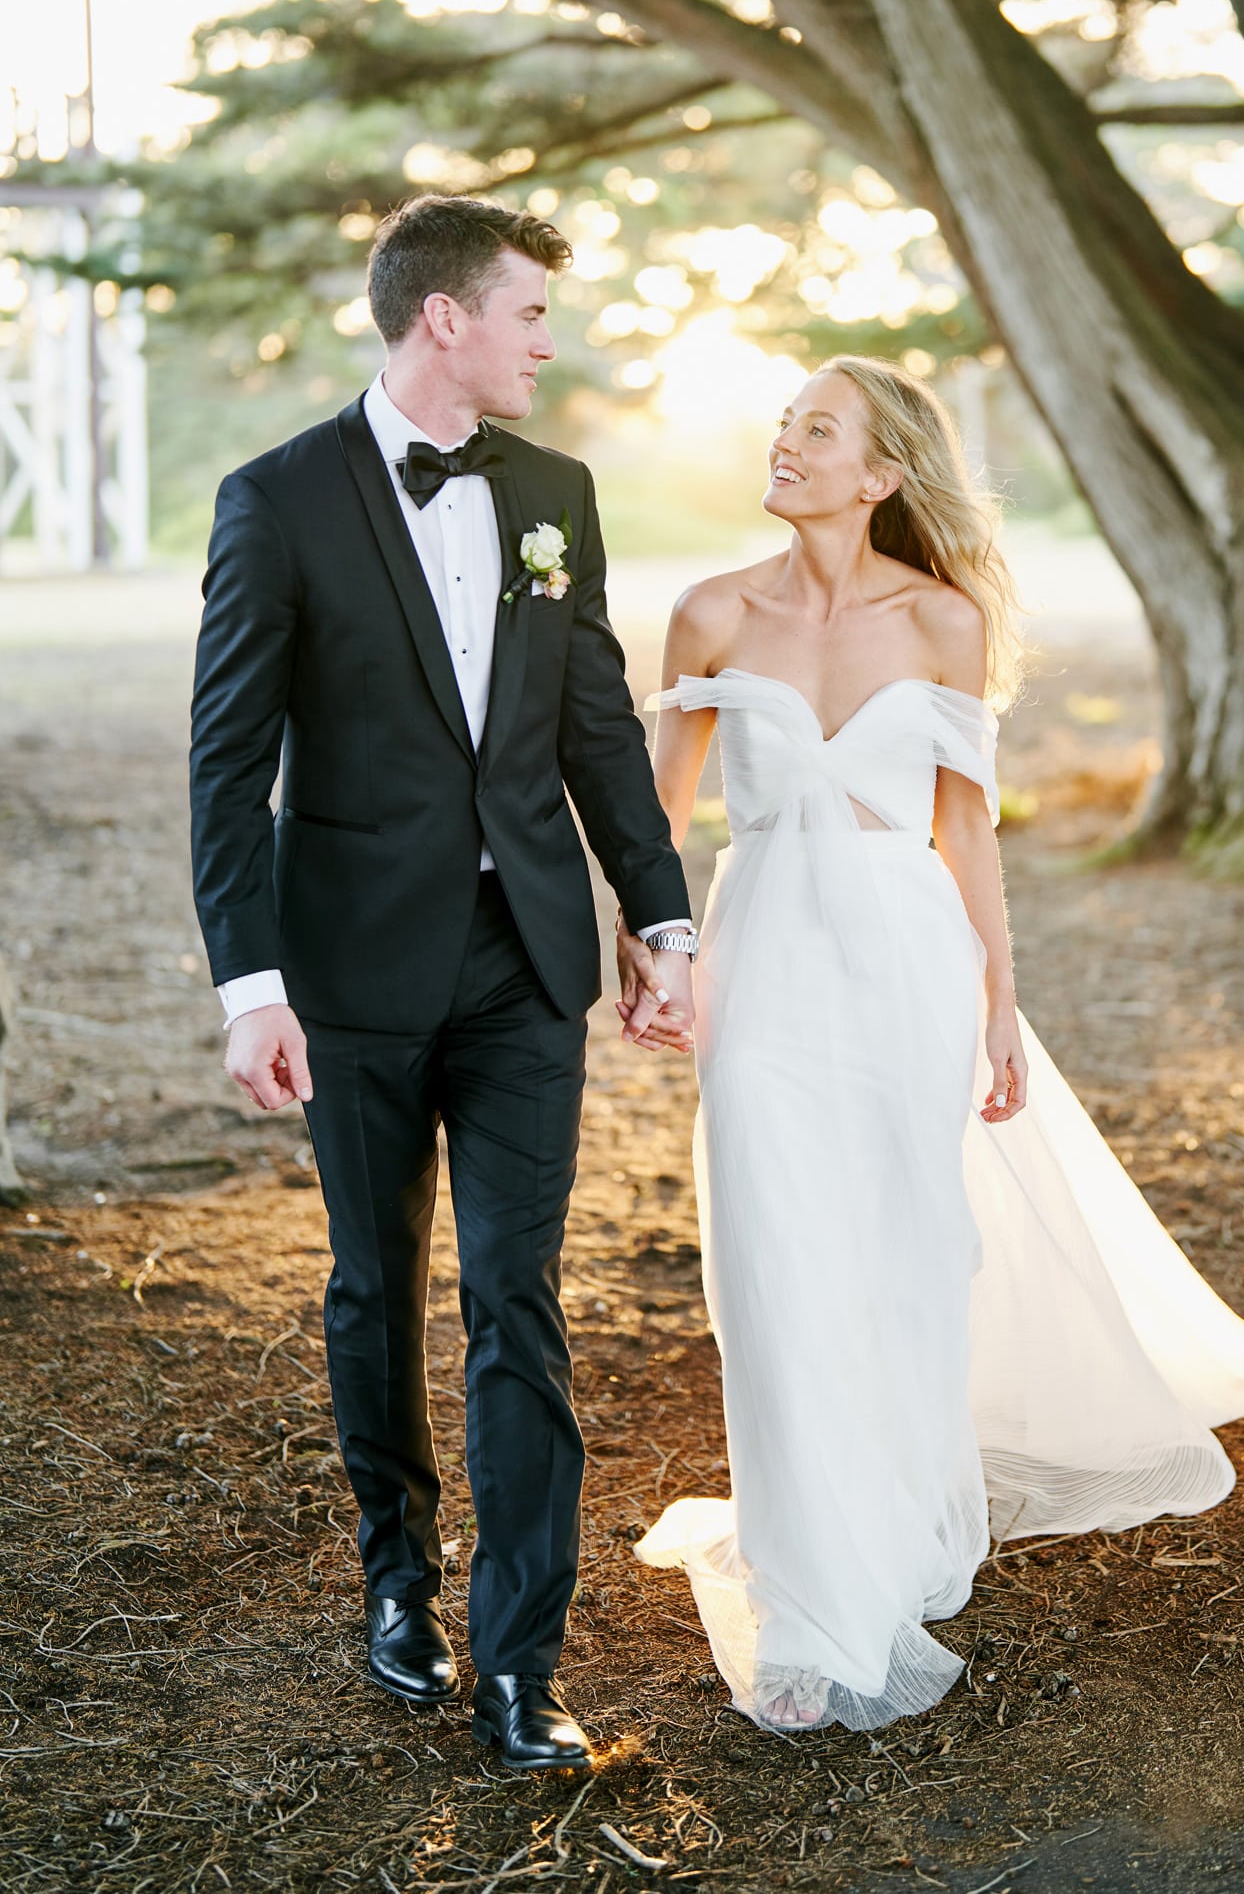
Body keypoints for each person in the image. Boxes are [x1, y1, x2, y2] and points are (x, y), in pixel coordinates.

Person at [619, 355, 1244, 1734]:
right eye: (783, 424)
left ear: (881, 474)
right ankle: (816, 1571)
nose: (788, 442)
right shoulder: (707, 613)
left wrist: (999, 1001)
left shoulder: (942, 622)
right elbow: (660, 821)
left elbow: (966, 827)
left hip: (905, 961)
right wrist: (648, 954)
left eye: (818, 429)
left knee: (905, 1246)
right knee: (771, 1249)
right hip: (761, 965)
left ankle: (900, 1508)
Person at [189, 194, 698, 1769]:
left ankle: (519, 1657)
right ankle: (397, 1578)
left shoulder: (555, 491)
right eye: (531, 313)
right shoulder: (275, 499)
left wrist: (661, 917)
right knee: (372, 1281)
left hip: (526, 960)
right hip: (349, 968)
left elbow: (598, 719)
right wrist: (249, 983)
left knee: (519, 1297)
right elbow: (228, 764)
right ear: (443, 321)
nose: (552, 339)